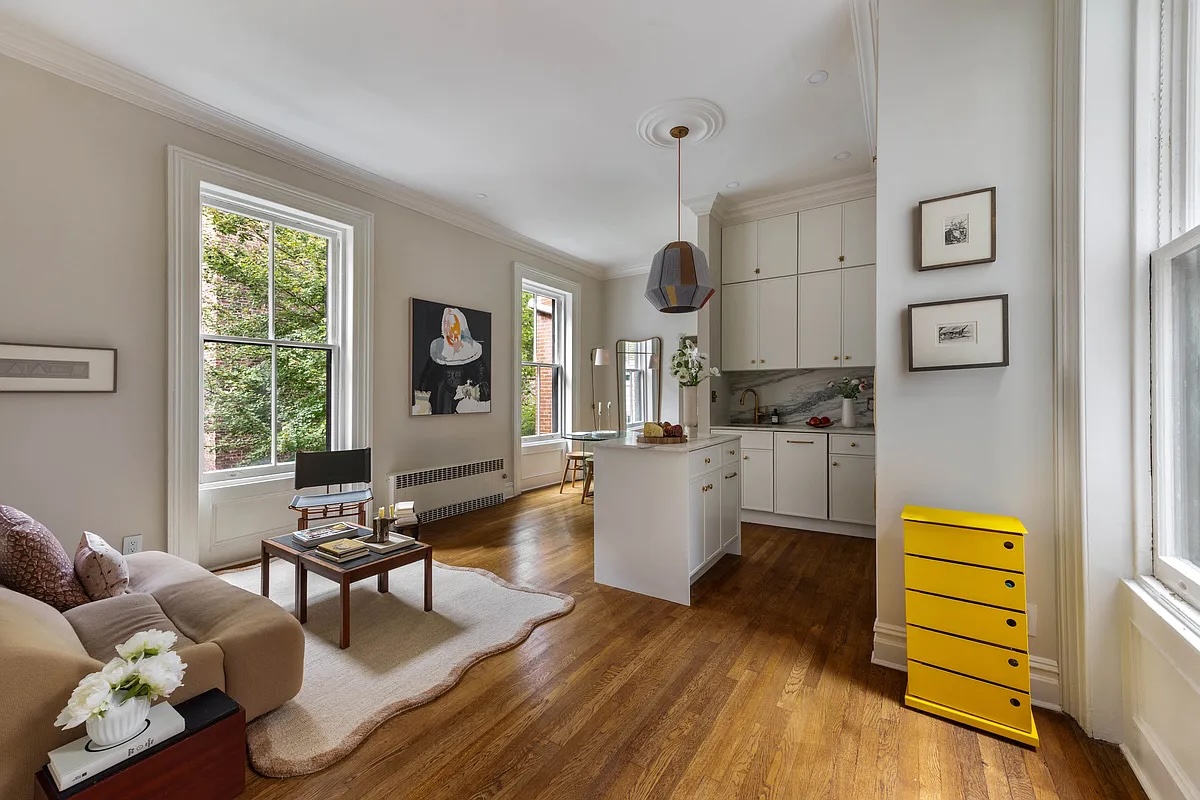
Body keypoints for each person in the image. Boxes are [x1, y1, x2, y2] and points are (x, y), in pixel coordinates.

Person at [416, 307, 491, 414]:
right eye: (446, 323)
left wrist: (471, 391)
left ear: (460, 326)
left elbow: (486, 387)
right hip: (439, 407)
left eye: (452, 323)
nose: (448, 328)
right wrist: (422, 402)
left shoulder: (473, 353)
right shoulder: (438, 351)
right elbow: (425, 379)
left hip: (464, 410)